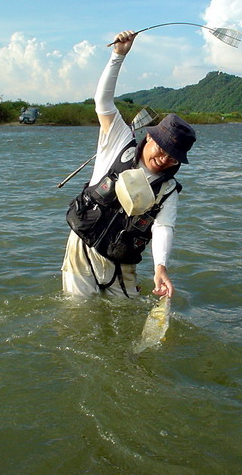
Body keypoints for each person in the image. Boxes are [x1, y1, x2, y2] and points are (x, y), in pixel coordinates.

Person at [62, 30, 196, 299]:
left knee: (126, 320)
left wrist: (161, 268)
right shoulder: (119, 140)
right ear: (149, 137)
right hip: (83, 250)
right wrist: (118, 56)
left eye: (173, 156)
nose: (165, 158)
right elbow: (103, 102)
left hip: (122, 261)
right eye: (162, 148)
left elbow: (163, 228)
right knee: (78, 318)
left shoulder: (168, 189)